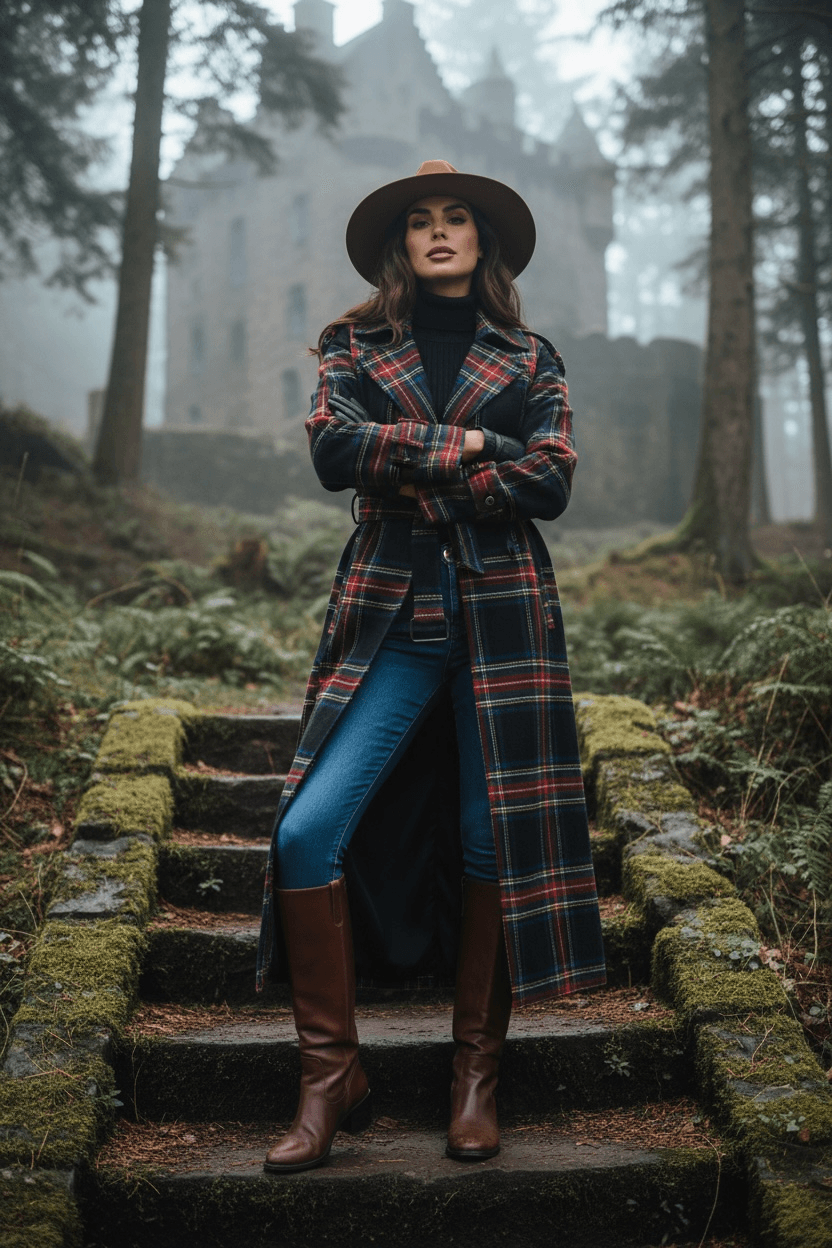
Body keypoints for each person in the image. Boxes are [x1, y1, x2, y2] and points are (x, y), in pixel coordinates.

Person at [256, 160, 606, 1175]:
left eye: (459, 219)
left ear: (483, 243)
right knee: (307, 830)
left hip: (504, 624)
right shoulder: (349, 344)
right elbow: (334, 453)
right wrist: (473, 452)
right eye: (422, 222)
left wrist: (410, 455)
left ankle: (474, 1079)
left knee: (485, 837)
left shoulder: (531, 353)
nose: (441, 232)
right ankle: (331, 1078)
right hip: (391, 620)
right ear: (398, 246)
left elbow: (550, 482)